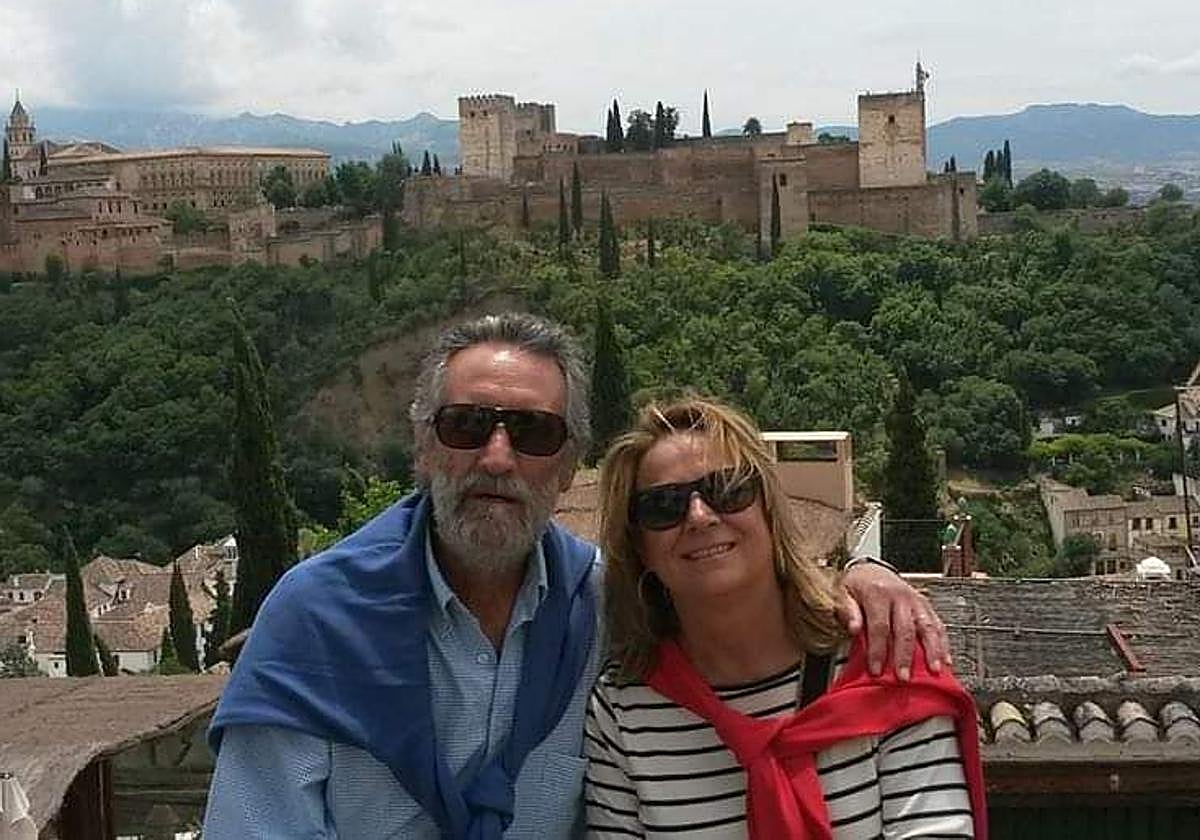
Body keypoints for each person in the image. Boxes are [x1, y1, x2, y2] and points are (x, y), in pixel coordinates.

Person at [204, 313, 953, 839]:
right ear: (425, 448)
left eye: (532, 433)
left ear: (567, 469)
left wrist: (862, 571)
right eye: (466, 426)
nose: (497, 458)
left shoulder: (600, 606)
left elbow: (737, 595)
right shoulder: (315, 621)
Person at [585, 397, 986, 839]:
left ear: (770, 510)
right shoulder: (623, 711)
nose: (699, 516)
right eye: (664, 506)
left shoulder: (884, 658)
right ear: (640, 547)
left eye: (729, 489)